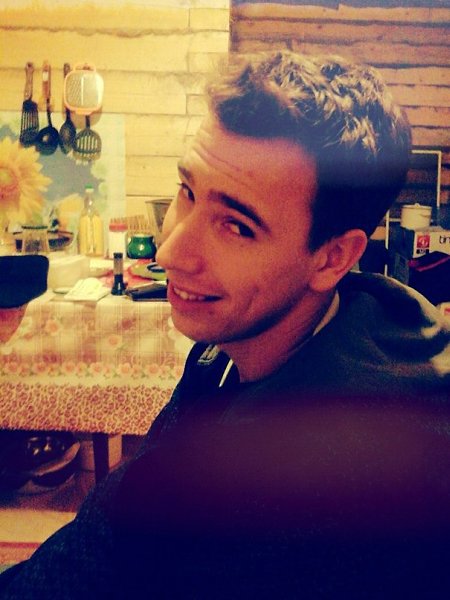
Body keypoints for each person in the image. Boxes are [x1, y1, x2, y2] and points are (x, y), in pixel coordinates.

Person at [1, 50, 449, 598]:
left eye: (237, 226)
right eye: (187, 192)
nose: (169, 252)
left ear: (333, 258)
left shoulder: (300, 498)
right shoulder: (244, 342)